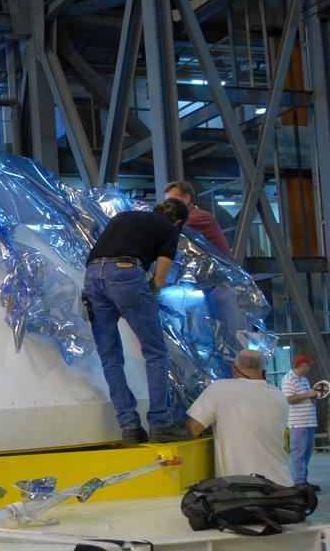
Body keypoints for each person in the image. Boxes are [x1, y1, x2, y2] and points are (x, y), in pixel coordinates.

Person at [83, 198, 189, 444]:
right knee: (155, 352)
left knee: (110, 356)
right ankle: (160, 423)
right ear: (179, 221)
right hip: (125, 272)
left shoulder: (124, 217)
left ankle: (129, 426)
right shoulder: (169, 230)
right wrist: (146, 298)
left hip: (92, 277)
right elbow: (159, 280)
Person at [186, 349, 292, 483]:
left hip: (243, 490)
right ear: (263, 371)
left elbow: (193, 429)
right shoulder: (279, 395)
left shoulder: (220, 388)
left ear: (233, 369)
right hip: (283, 486)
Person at [282, 354, 320, 488]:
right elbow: (287, 399)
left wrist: (312, 397)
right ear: (303, 365)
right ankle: (298, 483)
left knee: (306, 453)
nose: (310, 367)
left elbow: (305, 397)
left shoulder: (303, 379)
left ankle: (303, 480)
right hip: (298, 423)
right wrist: (308, 394)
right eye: (308, 365)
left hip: (308, 421)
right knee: (298, 453)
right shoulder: (289, 379)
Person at [164, 180, 230, 256]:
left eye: (171, 201)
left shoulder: (198, 216)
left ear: (186, 198)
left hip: (224, 267)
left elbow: (169, 230)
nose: (168, 206)